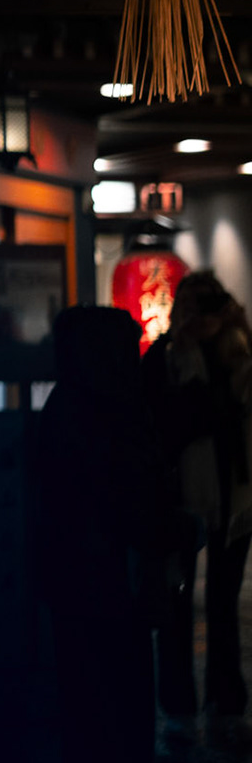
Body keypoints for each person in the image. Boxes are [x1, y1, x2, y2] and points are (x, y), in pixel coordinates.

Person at [32, 306, 159, 763]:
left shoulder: (65, 403)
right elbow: (132, 500)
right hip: (113, 579)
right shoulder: (116, 407)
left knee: (84, 699)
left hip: (72, 579)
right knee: (120, 700)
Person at [144, 271, 252, 727]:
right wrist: (178, 344)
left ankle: (225, 693)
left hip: (236, 492)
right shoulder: (165, 356)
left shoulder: (240, 354)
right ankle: (178, 693)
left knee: (224, 599)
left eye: (204, 306)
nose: (195, 316)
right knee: (177, 598)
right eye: (187, 305)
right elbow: (167, 419)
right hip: (180, 493)